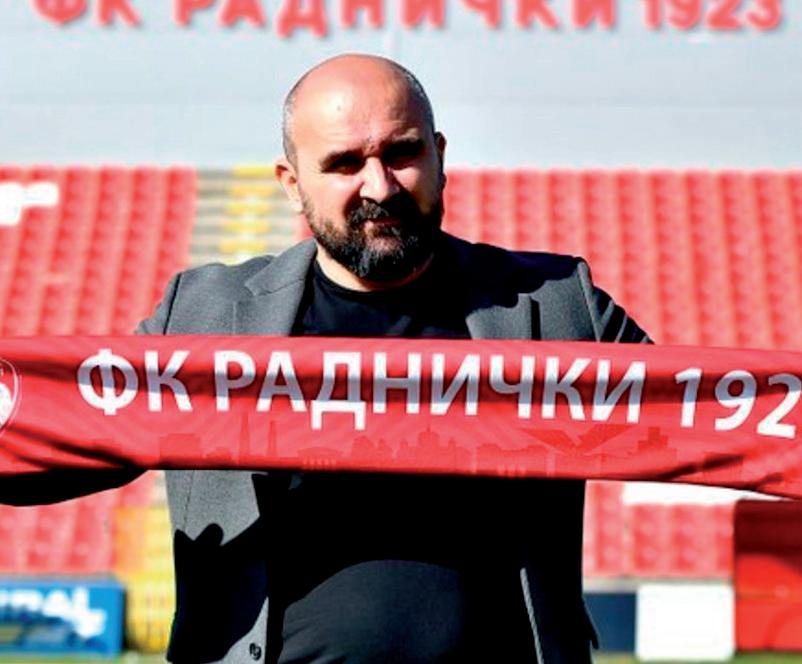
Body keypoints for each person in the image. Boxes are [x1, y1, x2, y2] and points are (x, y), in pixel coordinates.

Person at [0, 54, 649, 663]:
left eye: (403, 153)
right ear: (292, 184)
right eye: (344, 163)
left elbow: (690, 418)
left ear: (440, 156)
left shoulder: (554, 302)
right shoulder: (201, 314)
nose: (380, 186)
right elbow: (76, 440)